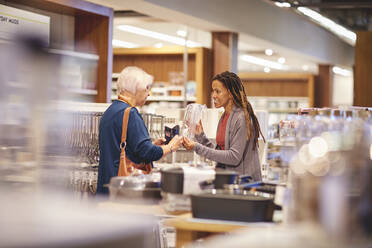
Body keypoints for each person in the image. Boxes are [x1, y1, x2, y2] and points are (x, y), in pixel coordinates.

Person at [97, 66, 183, 194]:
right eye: (147, 88)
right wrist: (171, 146)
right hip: (123, 188)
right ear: (135, 87)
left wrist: (151, 145)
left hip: (107, 185)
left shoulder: (111, 111)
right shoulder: (130, 113)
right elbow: (147, 153)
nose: (148, 93)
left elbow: (121, 148)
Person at [183, 71, 265, 181]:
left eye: (218, 91)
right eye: (213, 91)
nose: (214, 96)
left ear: (230, 93)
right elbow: (221, 155)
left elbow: (233, 157)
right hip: (229, 180)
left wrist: (196, 147)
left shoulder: (242, 118)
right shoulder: (224, 116)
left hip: (244, 185)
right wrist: (201, 137)